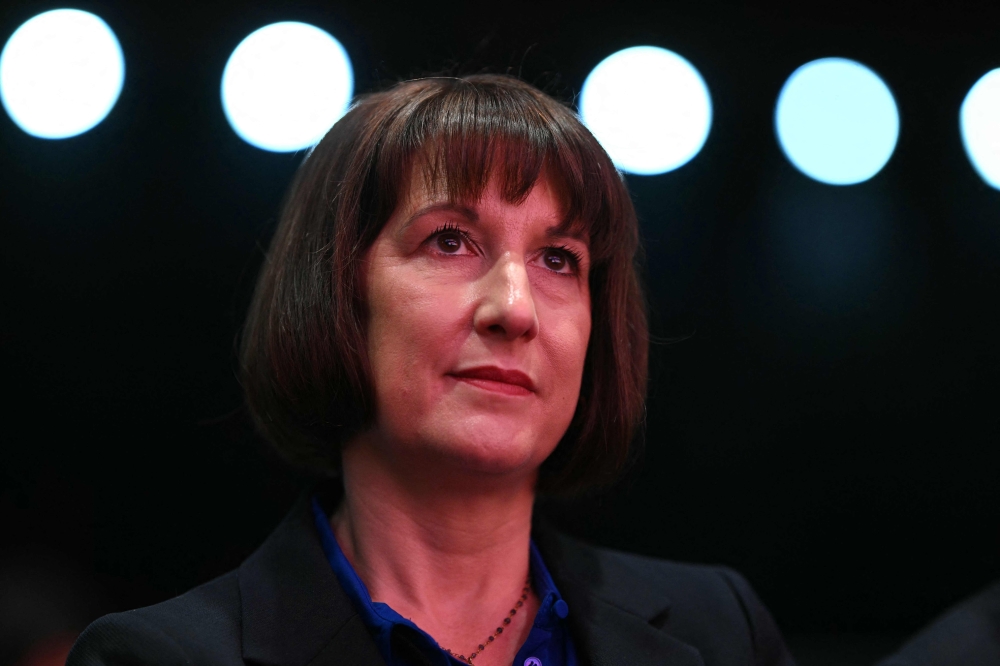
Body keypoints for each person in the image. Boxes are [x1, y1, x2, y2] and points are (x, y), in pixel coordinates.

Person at [68, 74, 795, 666]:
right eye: (450, 241)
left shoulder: (720, 631)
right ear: (338, 295)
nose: (514, 308)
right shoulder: (159, 657)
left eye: (557, 260)